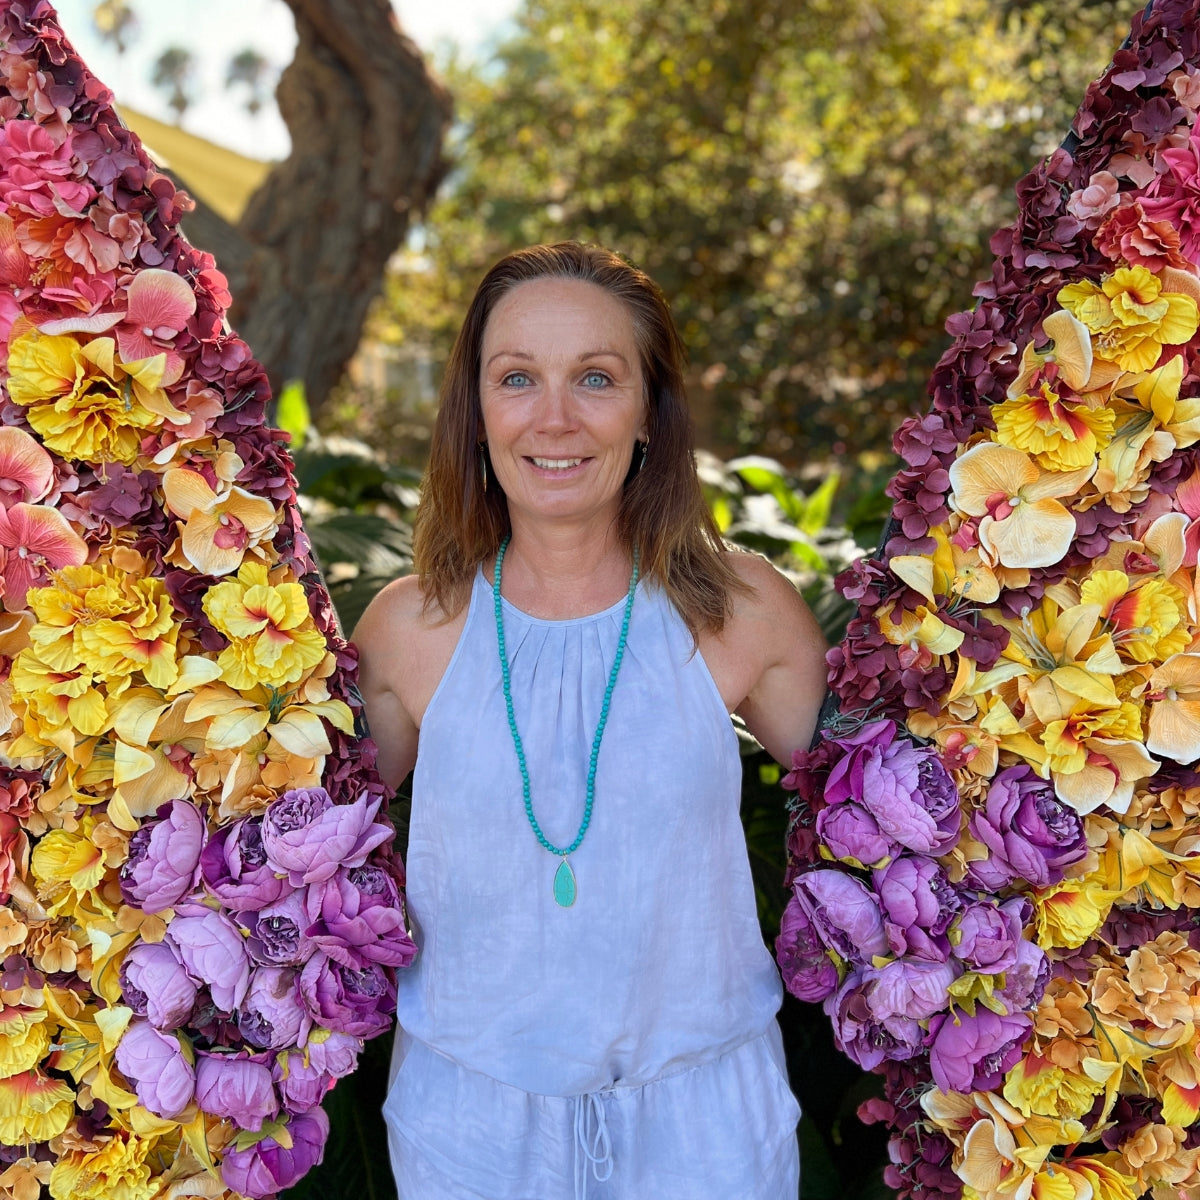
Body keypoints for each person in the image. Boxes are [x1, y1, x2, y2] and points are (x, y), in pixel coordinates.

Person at [353, 241, 829, 1199]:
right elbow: (303, 848)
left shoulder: (743, 610)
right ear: (475, 412)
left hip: (709, 1131)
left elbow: (895, 817)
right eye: (517, 377)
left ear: (650, 412)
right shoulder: (409, 629)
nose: (555, 418)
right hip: (469, 1129)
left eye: (597, 378)